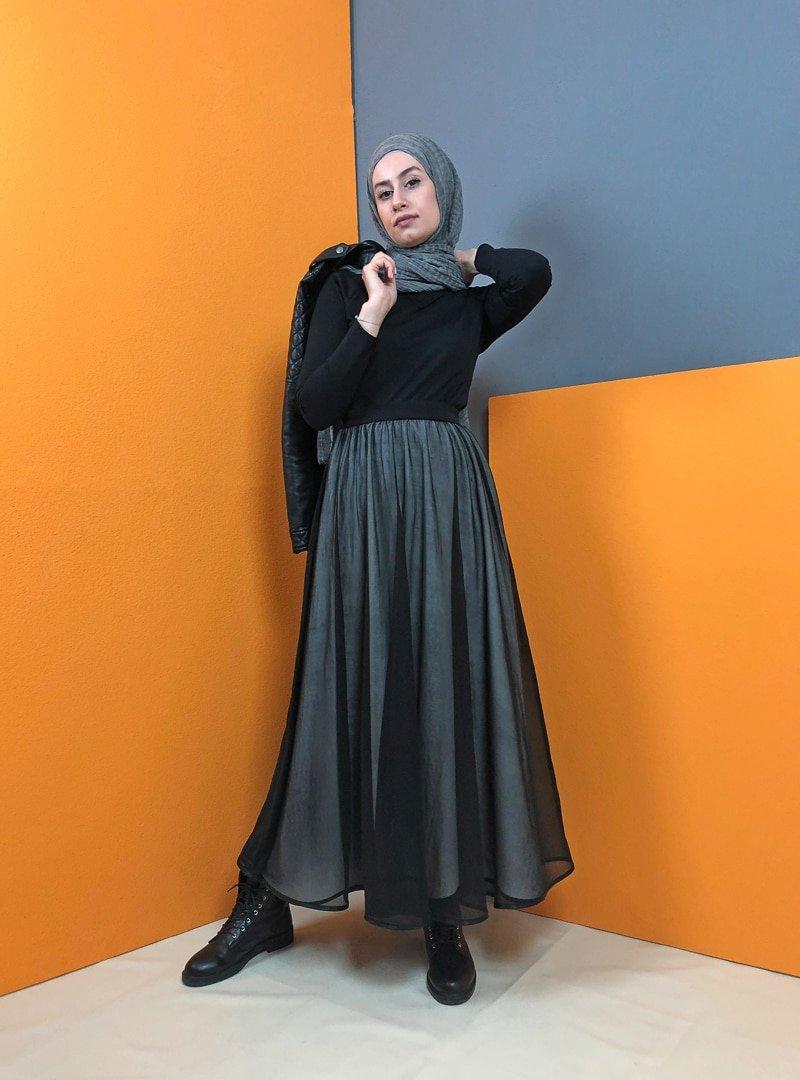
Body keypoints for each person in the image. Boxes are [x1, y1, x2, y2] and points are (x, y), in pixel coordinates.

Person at [182, 132, 575, 1006]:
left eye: (412, 182)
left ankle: (443, 910)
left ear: (442, 191)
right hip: (363, 501)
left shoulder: (469, 303)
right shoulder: (349, 281)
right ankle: (265, 901)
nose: (396, 201)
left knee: (440, 691)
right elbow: (315, 403)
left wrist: (456, 260)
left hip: (447, 508)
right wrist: (373, 308)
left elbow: (533, 272)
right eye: (382, 190)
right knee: (338, 692)